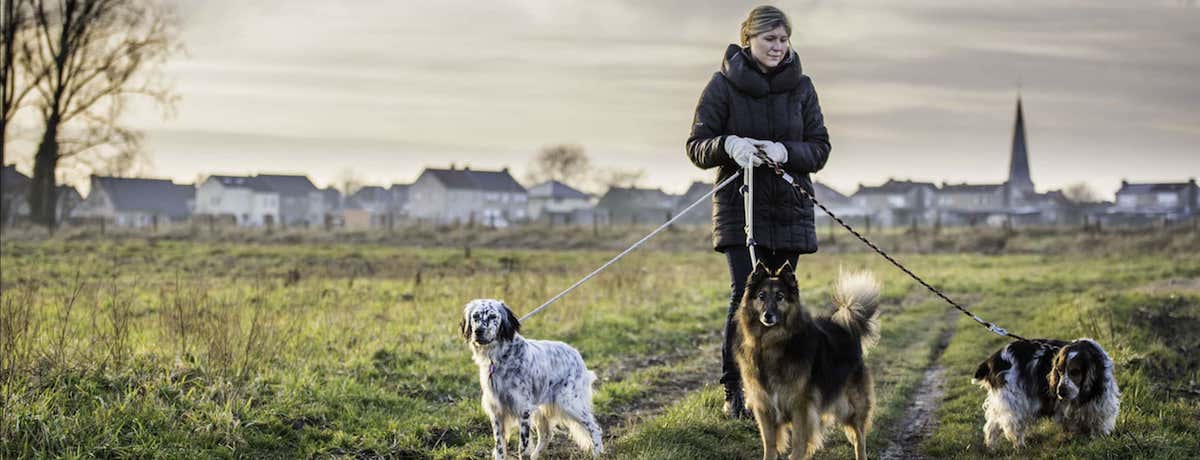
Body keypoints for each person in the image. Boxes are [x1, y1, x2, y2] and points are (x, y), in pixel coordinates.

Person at [685, 5, 832, 419]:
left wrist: (788, 152)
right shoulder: (721, 85)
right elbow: (697, 145)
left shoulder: (802, 87)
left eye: (784, 40)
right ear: (749, 39)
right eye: (770, 39)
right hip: (739, 209)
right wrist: (727, 145)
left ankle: (780, 390)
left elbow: (820, 148)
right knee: (743, 298)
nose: (778, 47)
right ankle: (736, 390)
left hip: (790, 210)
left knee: (782, 301)